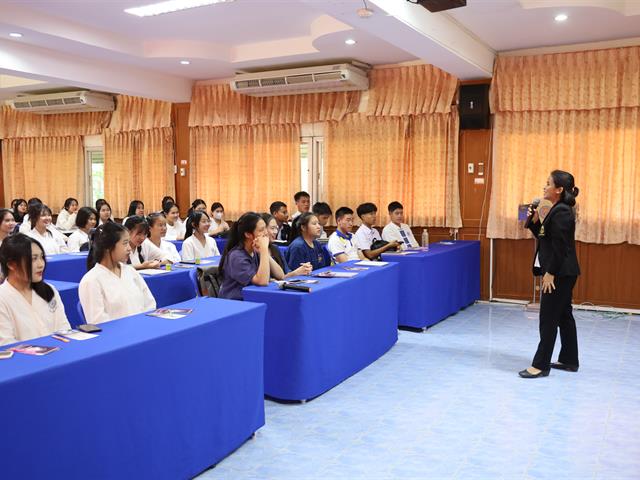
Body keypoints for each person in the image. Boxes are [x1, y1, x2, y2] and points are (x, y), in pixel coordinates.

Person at [519, 170, 581, 379]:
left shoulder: (562, 211)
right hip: (563, 271)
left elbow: (561, 246)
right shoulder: (554, 209)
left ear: (559, 189)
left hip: (560, 273)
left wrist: (550, 273)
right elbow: (544, 236)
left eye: (547, 184)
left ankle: (541, 365)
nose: (543, 187)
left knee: (548, 318)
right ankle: (569, 360)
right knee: (563, 315)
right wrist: (534, 219)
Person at [79, 222, 156, 324]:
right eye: (124, 243)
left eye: (129, 242)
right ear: (108, 247)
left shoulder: (130, 271)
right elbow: (98, 322)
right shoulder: (91, 281)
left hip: (142, 329)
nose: (129, 248)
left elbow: (150, 303)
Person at [0, 234, 71, 345]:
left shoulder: (49, 290)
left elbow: (64, 328)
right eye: (33, 259)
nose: (41, 264)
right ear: (11, 264)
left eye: (41, 257)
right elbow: (6, 344)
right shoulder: (2, 298)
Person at [218, 212, 271, 300]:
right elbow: (262, 281)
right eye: (261, 230)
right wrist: (264, 250)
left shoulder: (254, 250)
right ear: (248, 234)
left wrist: (262, 253)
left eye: (266, 228)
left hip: (252, 298)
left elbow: (280, 275)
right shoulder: (237, 256)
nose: (266, 233)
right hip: (235, 303)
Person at [260, 213, 312, 279]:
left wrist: (302, 270)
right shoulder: (256, 252)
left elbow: (286, 272)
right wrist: (295, 273)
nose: (275, 232)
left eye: (276, 228)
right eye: (272, 228)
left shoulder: (275, 248)